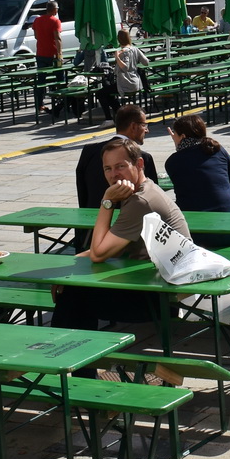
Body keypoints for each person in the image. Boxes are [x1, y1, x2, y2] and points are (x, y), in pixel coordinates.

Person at [56, 137, 189, 339]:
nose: (113, 174)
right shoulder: (145, 189)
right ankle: (74, 364)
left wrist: (107, 201)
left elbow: (99, 253)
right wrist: (75, 263)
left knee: (74, 296)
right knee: (75, 291)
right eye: (107, 169)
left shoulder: (140, 201)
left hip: (165, 297)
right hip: (158, 284)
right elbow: (109, 247)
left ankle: (59, 359)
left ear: (139, 164)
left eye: (120, 166)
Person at [75, 104, 152, 249]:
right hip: (127, 238)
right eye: (144, 125)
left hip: (90, 229)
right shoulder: (143, 158)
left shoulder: (88, 151)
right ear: (134, 126)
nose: (147, 130)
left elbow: (82, 192)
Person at [164, 114, 230, 241]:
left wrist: (177, 146)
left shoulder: (172, 162)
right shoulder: (217, 150)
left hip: (196, 235)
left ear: (182, 136)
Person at [107, 28, 149, 117]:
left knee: (101, 93)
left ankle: (116, 115)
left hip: (126, 83)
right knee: (106, 91)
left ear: (119, 39)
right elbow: (146, 62)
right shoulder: (135, 49)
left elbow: (125, 67)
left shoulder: (123, 52)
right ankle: (119, 113)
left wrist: (117, 58)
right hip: (137, 82)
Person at [33, 1, 63, 68]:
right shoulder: (56, 21)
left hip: (40, 53)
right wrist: (60, 54)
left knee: (41, 76)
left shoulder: (37, 20)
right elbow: (58, 38)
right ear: (55, 9)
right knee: (59, 75)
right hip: (53, 54)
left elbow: (36, 36)